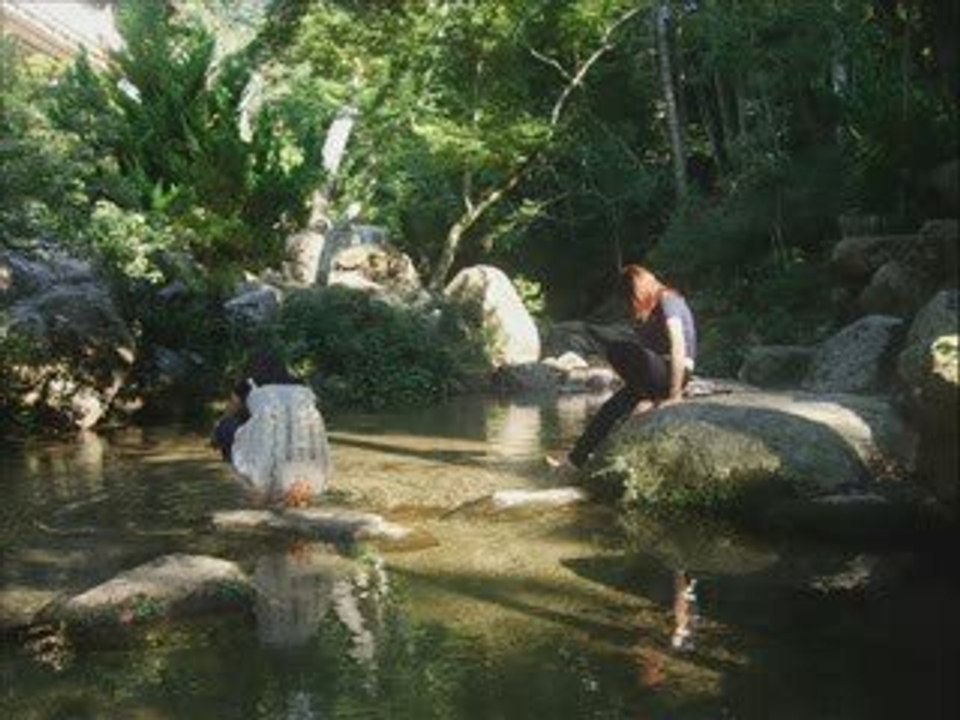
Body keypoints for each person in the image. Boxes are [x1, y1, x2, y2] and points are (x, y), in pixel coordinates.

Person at [548, 264, 697, 471]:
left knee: (617, 349)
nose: (630, 303)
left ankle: (651, 396)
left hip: (674, 371)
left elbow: (678, 344)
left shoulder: (668, 299)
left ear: (639, 289)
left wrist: (675, 395)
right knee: (610, 409)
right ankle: (574, 461)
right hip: (657, 374)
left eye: (630, 296)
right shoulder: (651, 310)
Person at [211, 349, 301, 463]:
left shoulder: (247, 383)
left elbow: (230, 411)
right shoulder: (296, 383)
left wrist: (217, 429)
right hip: (293, 431)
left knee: (226, 425)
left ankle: (234, 461)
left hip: (261, 432)